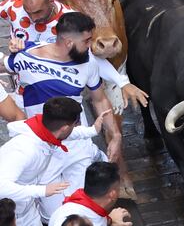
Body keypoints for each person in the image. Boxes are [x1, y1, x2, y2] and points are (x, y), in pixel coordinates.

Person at [3, 12, 123, 222]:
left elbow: (99, 100)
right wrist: (13, 47)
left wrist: (115, 136)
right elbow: (4, 64)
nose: (90, 46)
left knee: (83, 210)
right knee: (53, 215)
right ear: (68, 42)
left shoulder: (89, 63)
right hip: (44, 152)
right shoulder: (26, 56)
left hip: (78, 147)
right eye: (86, 41)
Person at [2, 0, 148, 111]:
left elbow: (88, 57)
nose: (33, 18)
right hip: (24, 93)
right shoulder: (13, 7)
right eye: (28, 12)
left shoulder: (70, 21)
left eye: (38, 12)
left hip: (60, 95)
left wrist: (122, 82)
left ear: (51, 1)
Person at [0, 97, 108, 226]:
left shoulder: (42, 128)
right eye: (76, 124)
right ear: (65, 128)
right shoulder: (25, 150)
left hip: (26, 207)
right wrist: (43, 191)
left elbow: (66, 133)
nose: (76, 127)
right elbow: (2, 187)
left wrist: (92, 130)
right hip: (11, 214)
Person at [49, 162, 132, 226]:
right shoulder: (78, 221)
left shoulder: (73, 207)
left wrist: (110, 220)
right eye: (118, 188)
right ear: (113, 194)